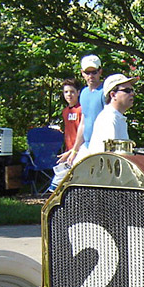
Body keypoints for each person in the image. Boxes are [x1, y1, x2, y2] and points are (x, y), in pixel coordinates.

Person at [51, 55, 103, 190]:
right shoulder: (85, 93)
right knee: (74, 178)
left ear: (100, 71)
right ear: (82, 73)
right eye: (87, 72)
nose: (91, 75)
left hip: (102, 145)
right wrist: (74, 150)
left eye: (94, 72)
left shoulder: (106, 92)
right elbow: (83, 123)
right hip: (86, 145)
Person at [84, 73, 138, 155]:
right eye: (127, 90)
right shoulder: (109, 119)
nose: (132, 94)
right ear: (113, 95)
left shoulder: (117, 117)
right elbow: (110, 157)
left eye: (132, 90)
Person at [61, 78, 82, 153]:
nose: (69, 94)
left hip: (80, 150)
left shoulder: (81, 110)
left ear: (78, 92)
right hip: (68, 150)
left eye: (72, 92)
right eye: (66, 92)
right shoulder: (65, 111)